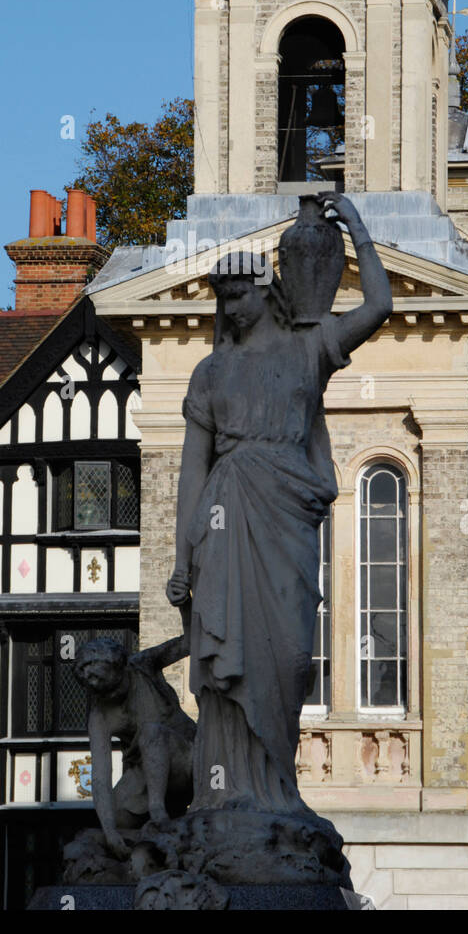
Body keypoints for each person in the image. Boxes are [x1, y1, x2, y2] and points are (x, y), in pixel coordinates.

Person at [166, 192, 392, 815]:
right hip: (226, 511)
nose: (230, 306)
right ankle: (225, 797)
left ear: (267, 292)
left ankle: (277, 791)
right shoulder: (209, 374)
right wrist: (183, 558)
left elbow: (379, 306)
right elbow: (192, 470)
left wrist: (358, 232)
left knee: (289, 656)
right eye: (222, 297)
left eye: (239, 293)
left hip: (286, 510)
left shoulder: (307, 347)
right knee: (223, 660)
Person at [72, 607, 195, 859]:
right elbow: (100, 777)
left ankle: (158, 814)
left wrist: (185, 606)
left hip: (190, 759)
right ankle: (145, 835)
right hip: (145, 775)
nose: (100, 693)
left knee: (151, 733)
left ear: (120, 668)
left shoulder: (143, 666)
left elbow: (190, 642)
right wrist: (109, 832)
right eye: (91, 687)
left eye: (105, 685)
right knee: (115, 815)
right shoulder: (100, 715)